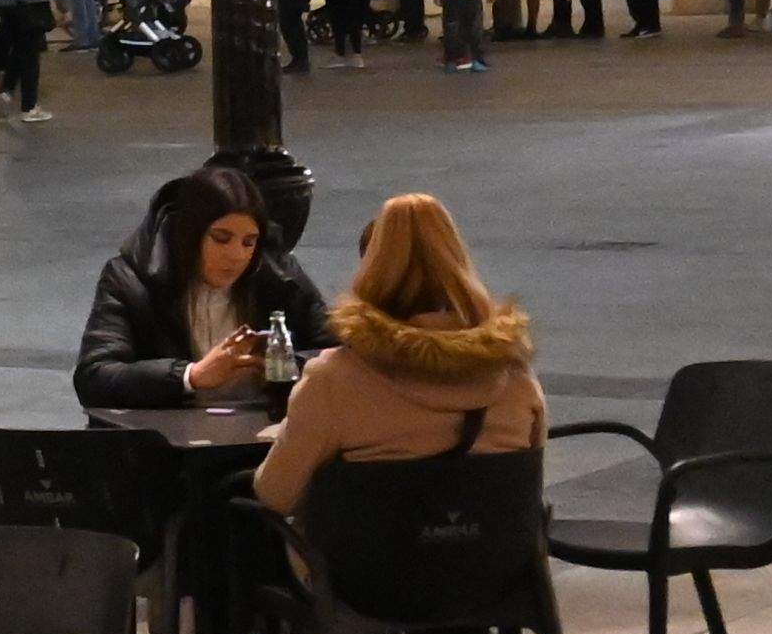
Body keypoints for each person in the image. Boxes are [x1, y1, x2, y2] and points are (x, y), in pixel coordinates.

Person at [252, 193, 547, 512]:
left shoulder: (334, 381)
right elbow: (529, 484)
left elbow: (277, 495)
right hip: (492, 557)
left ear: (371, 271)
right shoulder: (514, 375)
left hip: (366, 561)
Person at [71, 165, 330, 412]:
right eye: (221, 239)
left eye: (249, 242)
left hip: (264, 433)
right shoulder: (130, 278)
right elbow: (95, 377)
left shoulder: (278, 274)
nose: (236, 256)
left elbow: (338, 351)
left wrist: (284, 367)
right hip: (169, 444)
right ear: (190, 234)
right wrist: (191, 375)